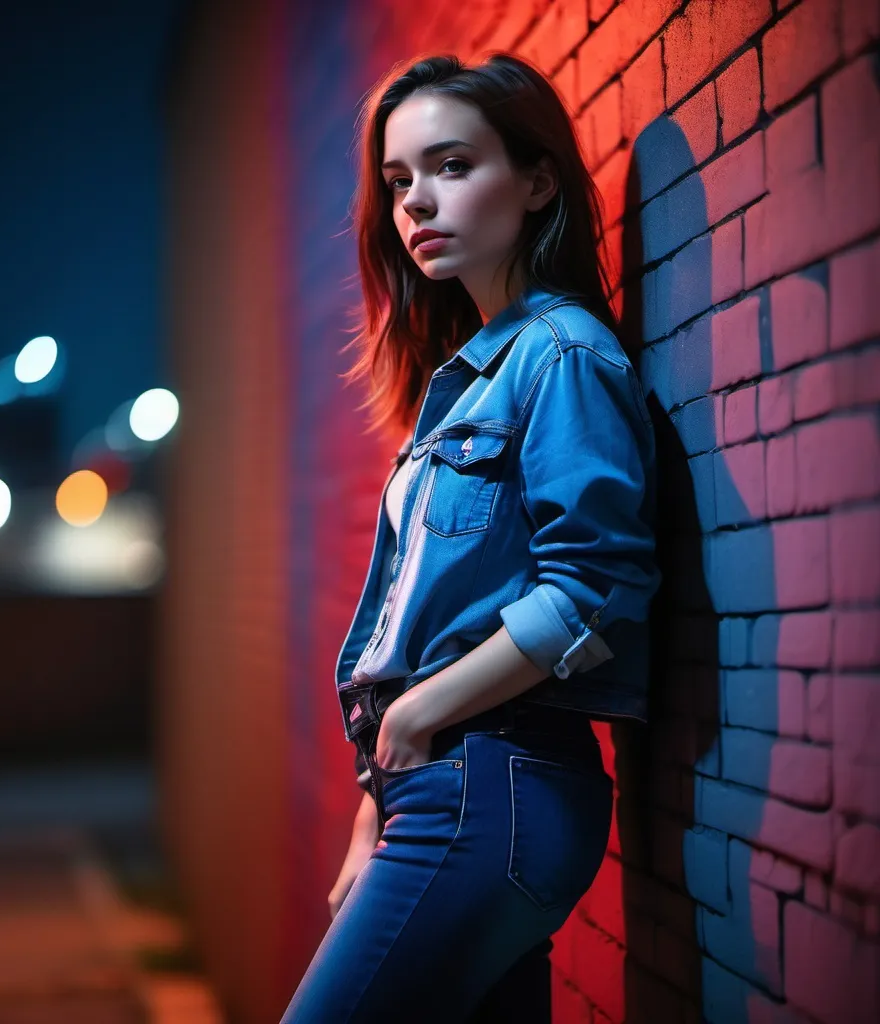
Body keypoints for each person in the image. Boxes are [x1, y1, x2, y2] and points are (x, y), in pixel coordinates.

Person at [281, 51, 661, 1023]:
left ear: (536, 182)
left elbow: (595, 589)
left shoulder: (563, 354)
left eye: (451, 166)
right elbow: (428, 621)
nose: (416, 203)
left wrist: (412, 722)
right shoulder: (466, 382)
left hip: (487, 784)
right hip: (442, 786)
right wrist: (378, 795)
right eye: (399, 181)